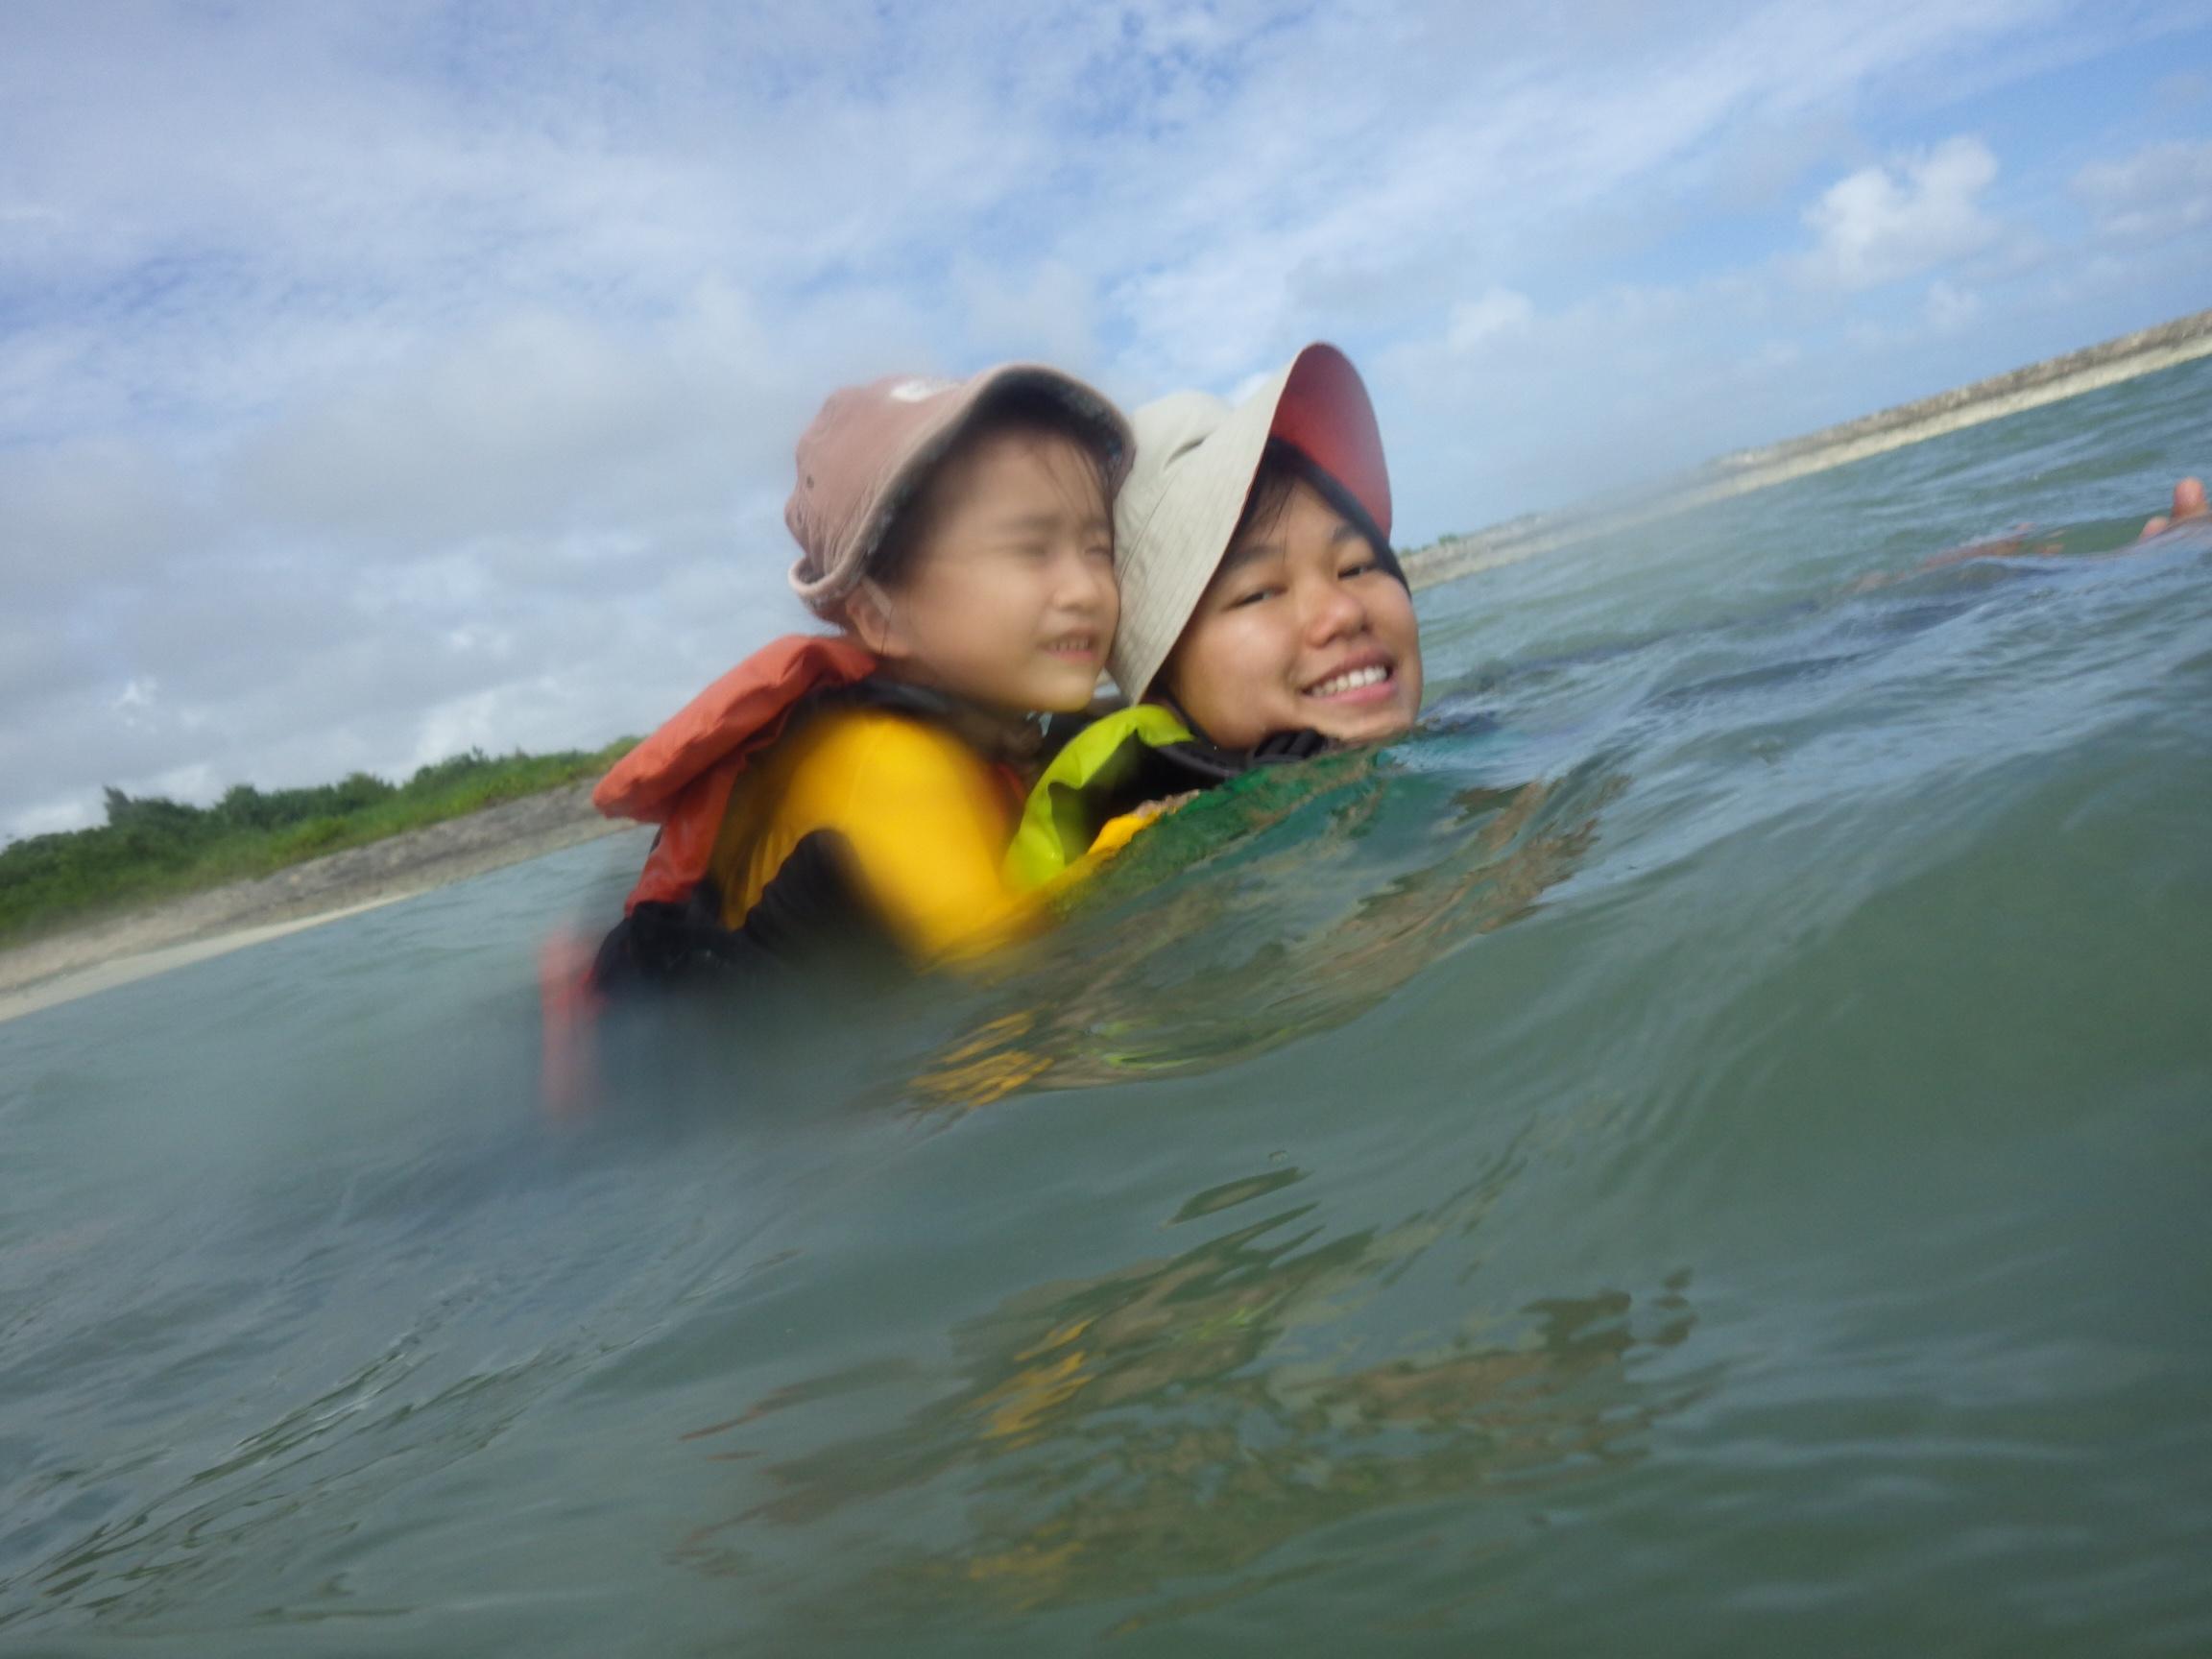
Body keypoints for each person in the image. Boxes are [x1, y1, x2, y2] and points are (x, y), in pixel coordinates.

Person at [587, 365, 1130, 993]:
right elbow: (1021, 1007)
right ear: (877, 617)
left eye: (1098, 549)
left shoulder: (983, 730)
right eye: (1031, 551)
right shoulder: (893, 767)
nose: (1086, 589)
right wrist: (1132, 855)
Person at [1005, 343, 1425, 888]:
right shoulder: (1141, 861)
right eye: (1259, 594)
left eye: (1357, 566)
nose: (1343, 612)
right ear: (1160, 686)